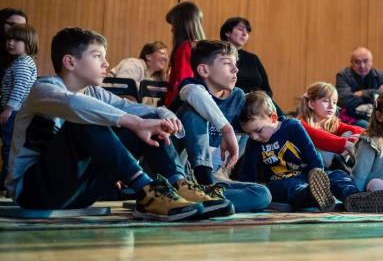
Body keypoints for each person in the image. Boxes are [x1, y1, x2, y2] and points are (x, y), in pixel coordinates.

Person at [4, 27, 224, 221]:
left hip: (81, 194)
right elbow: (74, 104)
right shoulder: (42, 89)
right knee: (86, 121)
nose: (106, 64)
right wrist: (133, 123)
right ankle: (145, 190)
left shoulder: (96, 93)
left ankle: (178, 185)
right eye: (97, 56)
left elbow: (142, 111)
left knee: (149, 122)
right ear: (70, 61)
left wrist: (164, 113)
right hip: (34, 192)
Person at [239, 91, 383, 213]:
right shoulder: (255, 142)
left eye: (258, 131)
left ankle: (355, 198)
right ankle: (314, 196)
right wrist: (251, 192)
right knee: (290, 189)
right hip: (282, 180)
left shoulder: (293, 126)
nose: (254, 137)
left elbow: (310, 151)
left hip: (310, 174)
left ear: (273, 118)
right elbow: (248, 169)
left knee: (338, 176)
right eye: (249, 134)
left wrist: (317, 172)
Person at [171, 40, 271, 213]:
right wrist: (227, 128)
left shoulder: (237, 96)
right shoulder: (190, 87)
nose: (235, 69)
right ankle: (200, 188)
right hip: (180, 178)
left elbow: (266, 120)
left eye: (235, 64)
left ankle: (202, 202)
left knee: (262, 193)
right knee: (193, 111)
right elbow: (196, 94)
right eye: (227, 63)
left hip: (211, 181)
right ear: (204, 70)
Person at [1, 24, 38, 186]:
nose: (11, 43)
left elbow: (20, 88)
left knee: (10, 147)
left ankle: (8, 181)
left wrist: (8, 109)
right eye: (9, 39)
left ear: (28, 42)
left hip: (15, 112)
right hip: (16, 111)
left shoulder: (23, 63)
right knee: (11, 146)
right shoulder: (20, 62)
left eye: (17, 40)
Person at [297, 82, 362, 167]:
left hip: (337, 160)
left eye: (334, 102)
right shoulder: (299, 123)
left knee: (350, 133)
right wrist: (346, 144)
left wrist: (352, 140)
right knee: (323, 150)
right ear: (311, 104)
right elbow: (316, 136)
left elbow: (359, 130)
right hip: (309, 165)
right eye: (326, 101)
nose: (332, 106)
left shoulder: (331, 123)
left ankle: (348, 167)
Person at [220, 17, 275, 99]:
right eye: (240, 29)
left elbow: (268, 91)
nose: (245, 34)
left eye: (247, 31)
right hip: (233, 101)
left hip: (258, 102)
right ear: (227, 32)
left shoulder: (253, 58)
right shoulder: (218, 56)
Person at [164, 1, 205, 106]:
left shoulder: (184, 48)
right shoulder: (203, 48)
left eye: (173, 25)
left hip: (180, 106)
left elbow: (183, 83)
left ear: (182, 25)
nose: (172, 30)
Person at [335, 47, 383, 127]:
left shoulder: (381, 75)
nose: (362, 66)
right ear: (351, 63)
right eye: (357, 62)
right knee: (367, 126)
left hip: (375, 116)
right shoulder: (343, 75)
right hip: (351, 117)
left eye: (365, 61)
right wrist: (374, 94)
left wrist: (363, 93)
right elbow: (344, 101)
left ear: (371, 62)